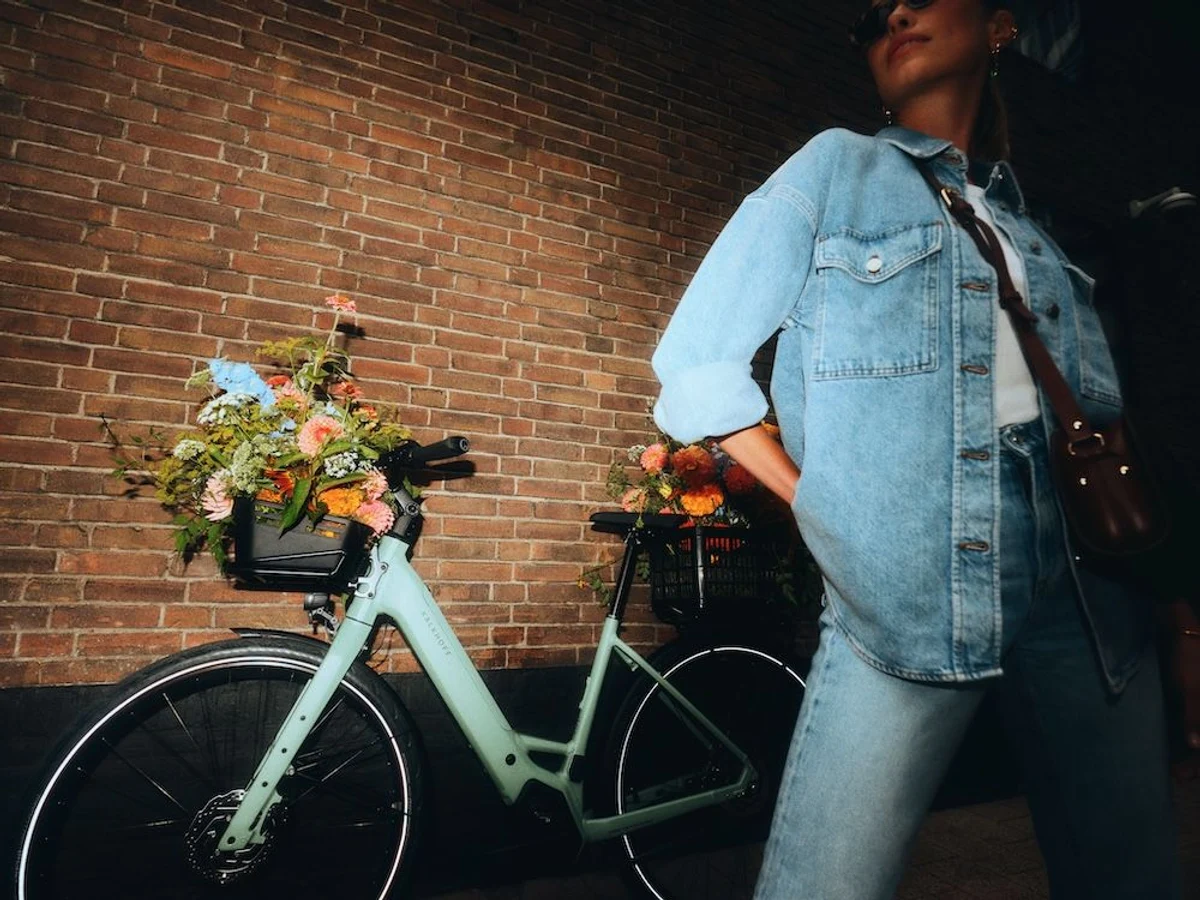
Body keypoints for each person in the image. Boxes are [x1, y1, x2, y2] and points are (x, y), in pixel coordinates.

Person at [650, 1, 1183, 897]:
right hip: (906, 581)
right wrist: (818, 502)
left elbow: (1112, 418)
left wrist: (1175, 610)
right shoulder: (835, 169)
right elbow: (695, 363)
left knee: (1131, 879)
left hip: (1092, 592)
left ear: (1001, 26)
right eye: (868, 17)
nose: (891, 13)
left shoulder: (1039, 231)